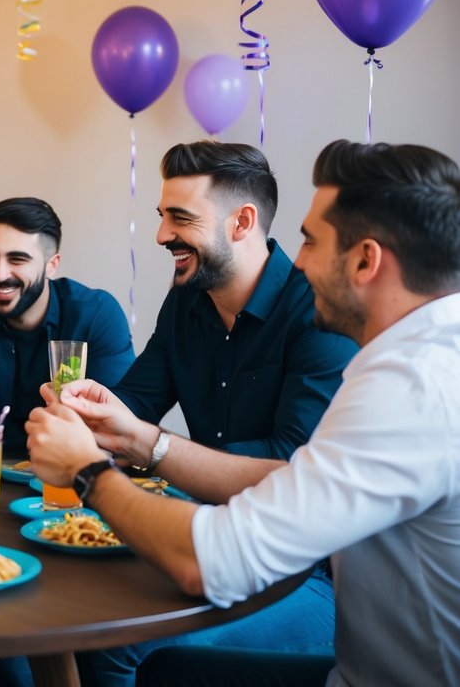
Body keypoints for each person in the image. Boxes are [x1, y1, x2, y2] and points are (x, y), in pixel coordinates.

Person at [28, 139, 460, 687]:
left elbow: (214, 558)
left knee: (121, 643)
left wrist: (89, 471)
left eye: (310, 241)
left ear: (366, 260)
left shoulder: (411, 385)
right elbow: (290, 475)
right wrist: (118, 429)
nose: (298, 259)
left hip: (314, 588)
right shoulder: (418, 358)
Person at [69, 141, 357, 686]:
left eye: (181, 218)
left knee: (117, 645)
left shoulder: (315, 310)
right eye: (161, 217)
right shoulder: (186, 300)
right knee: (72, 605)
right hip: (211, 537)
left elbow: (286, 467)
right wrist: (83, 412)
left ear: (242, 222)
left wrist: (149, 446)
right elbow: (132, 406)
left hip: (310, 575)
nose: (161, 236)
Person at [0, 197, 134, 458]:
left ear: (52, 265)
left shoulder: (96, 315)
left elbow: (121, 437)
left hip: (72, 483)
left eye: (17, 259)